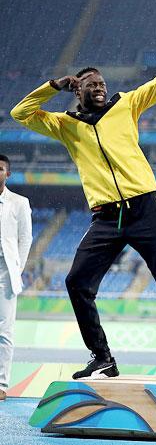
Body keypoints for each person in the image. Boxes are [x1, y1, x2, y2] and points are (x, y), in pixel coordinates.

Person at [10, 19, 156, 385]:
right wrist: (53, 85)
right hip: (105, 218)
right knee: (76, 282)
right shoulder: (64, 124)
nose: (100, 87)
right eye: (91, 83)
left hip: (146, 209)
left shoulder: (126, 105)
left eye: (102, 83)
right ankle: (102, 357)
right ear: (77, 88)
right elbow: (20, 113)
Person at [0, 155, 32, 400]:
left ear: (7, 174)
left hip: (5, 272)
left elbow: (25, 239)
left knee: (4, 332)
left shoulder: (19, 203)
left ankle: (1, 385)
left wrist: (16, 270)